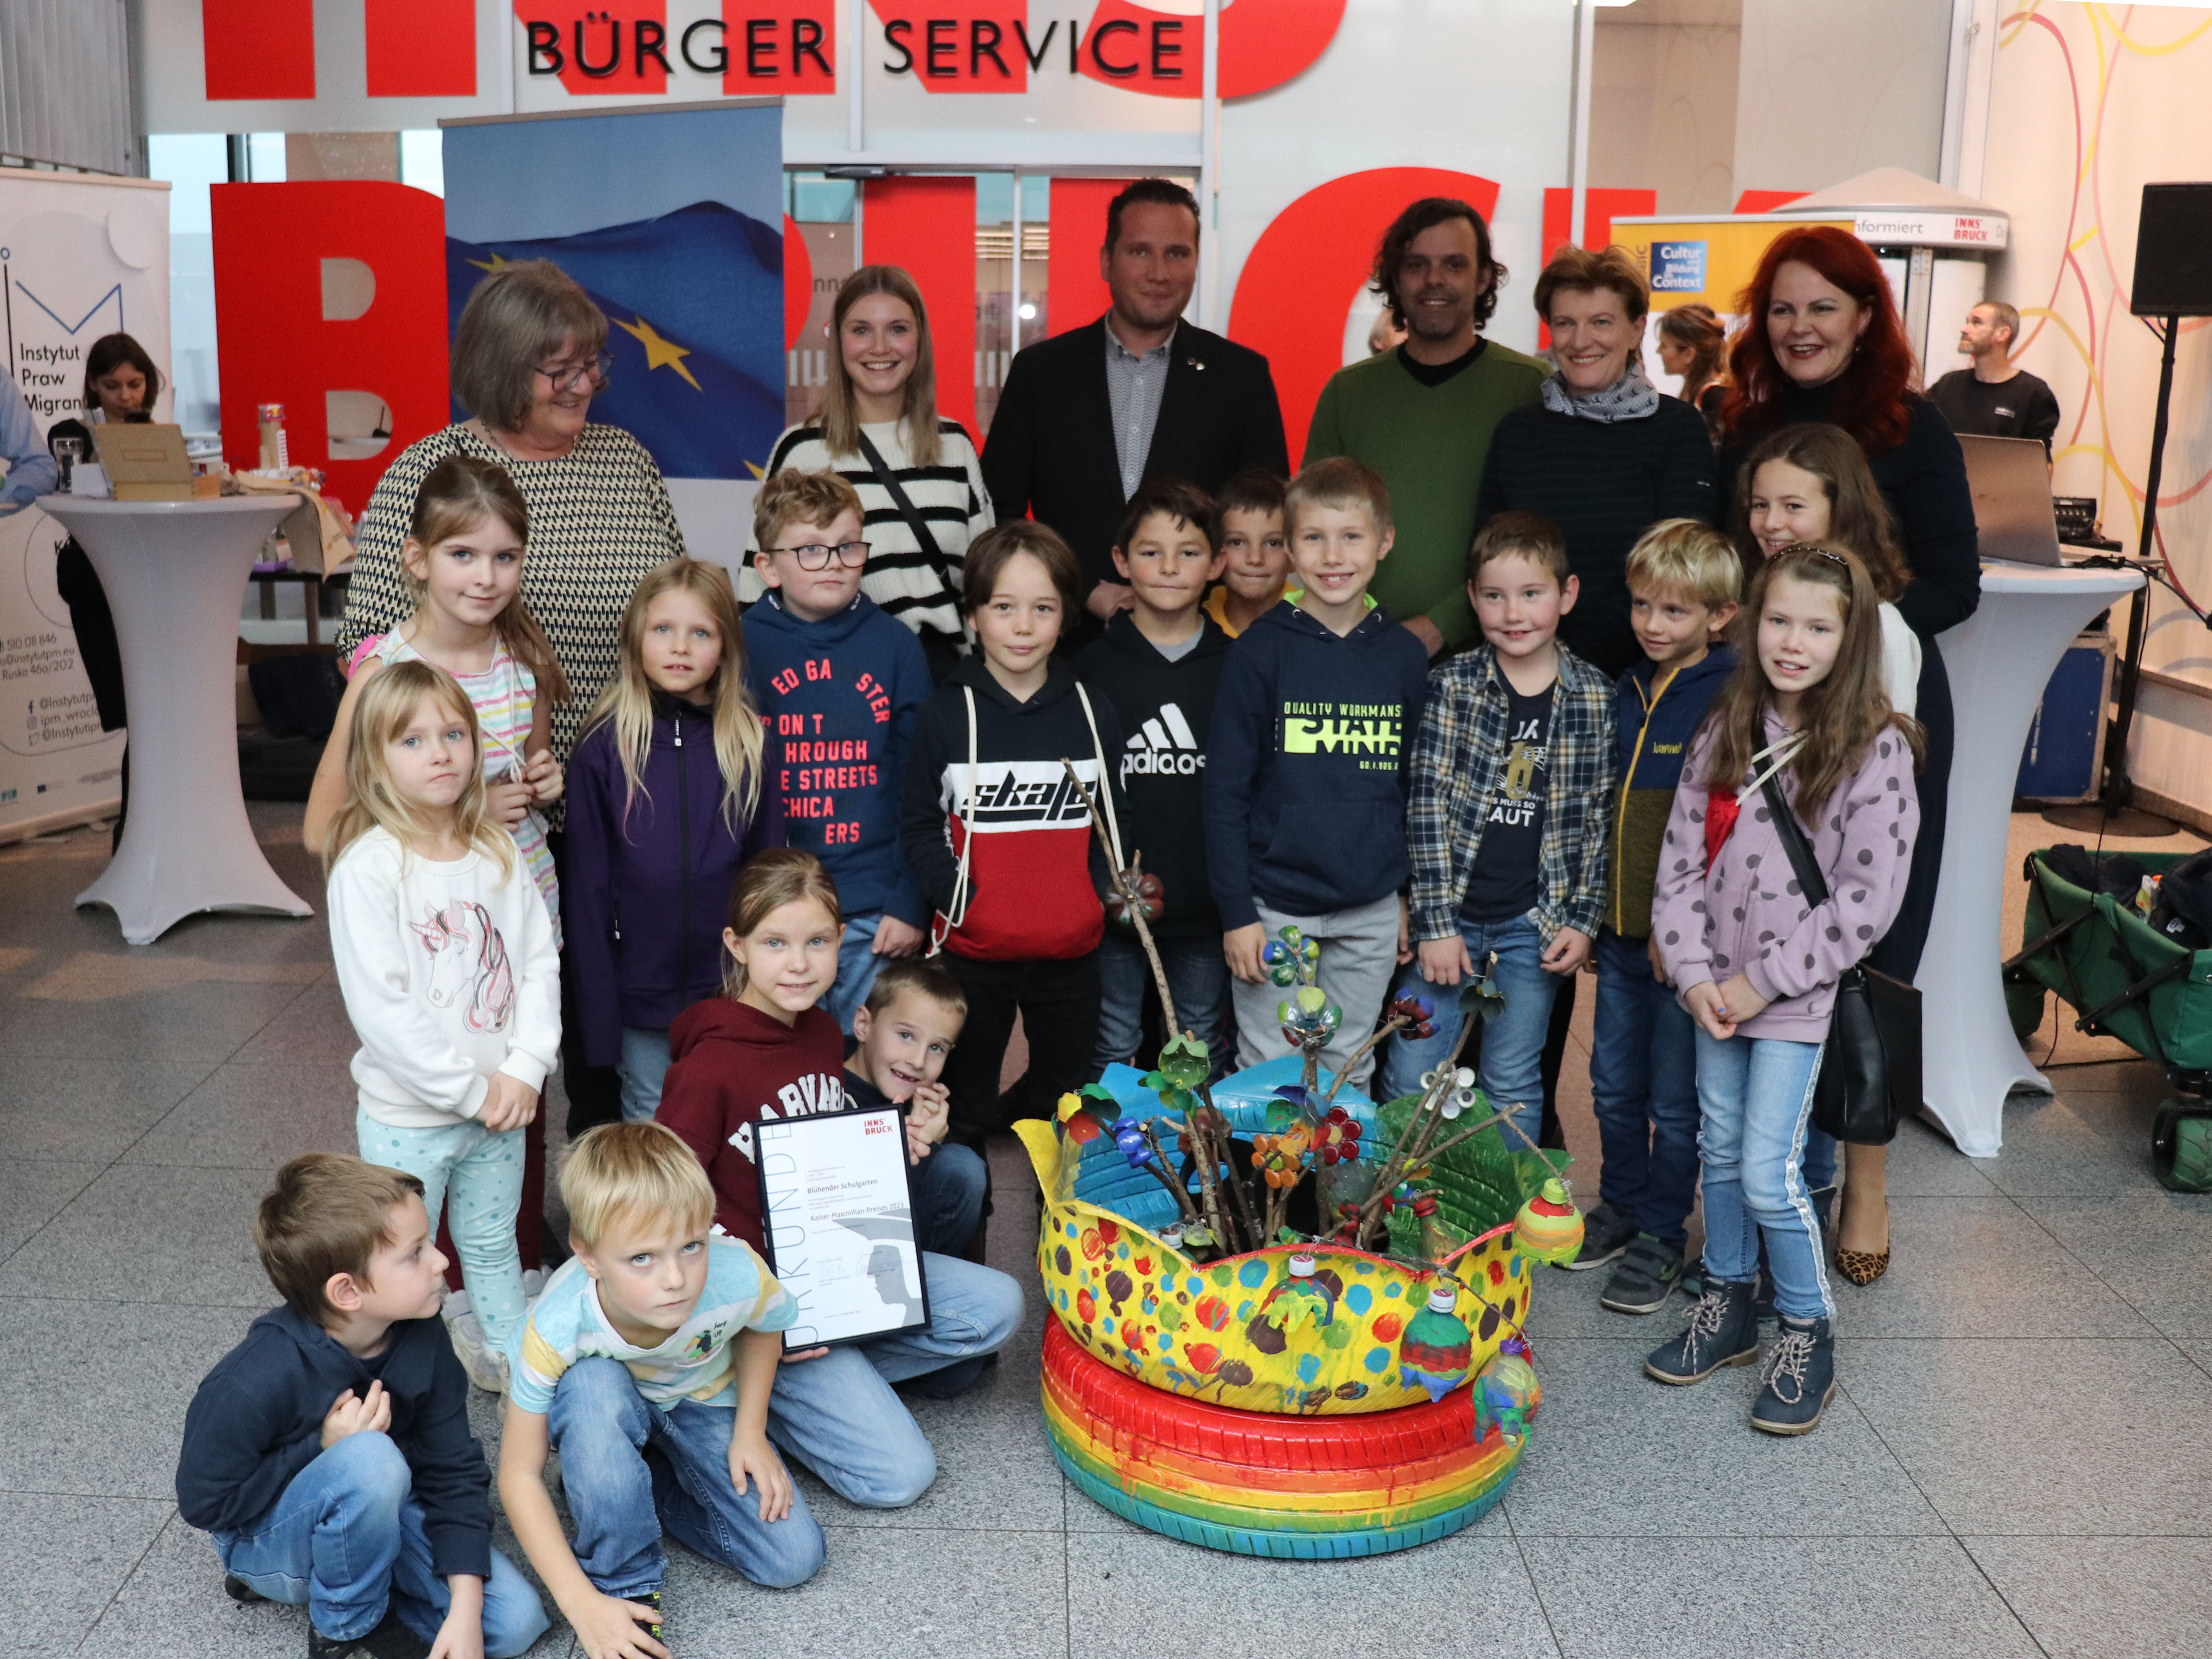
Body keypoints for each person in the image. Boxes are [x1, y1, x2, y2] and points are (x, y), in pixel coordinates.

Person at [338, 259, 688, 1140]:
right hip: (478, 816)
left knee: (609, 1014)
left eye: (591, 365)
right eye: (556, 370)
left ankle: (608, 1183)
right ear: (501, 367)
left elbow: (671, 605)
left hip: (622, 788)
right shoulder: (429, 469)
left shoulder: (626, 460)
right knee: (492, 1008)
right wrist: (454, 786)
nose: (582, 385)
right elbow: (368, 650)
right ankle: (499, 1186)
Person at [1716, 226, 1978, 1279]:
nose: (1799, 326)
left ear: (1864, 316)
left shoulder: (1912, 427)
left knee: (1869, 952)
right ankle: (1762, 1172)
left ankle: (1863, 1180)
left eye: (1822, 305)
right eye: (1781, 307)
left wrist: (1841, 635)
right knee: (1763, 931)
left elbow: (1954, 580)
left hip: (1877, 700)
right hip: (1763, 699)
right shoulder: (1739, 423)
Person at [1644, 545, 1920, 1436]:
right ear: (1750, 623)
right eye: (1777, 621)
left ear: (1851, 638)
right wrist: (1696, 977)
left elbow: (1863, 904)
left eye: (1816, 627)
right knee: (1719, 1153)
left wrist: (1758, 984)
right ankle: (1727, 1300)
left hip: (1792, 1001)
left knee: (1769, 1173)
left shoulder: (1875, 750)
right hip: (1714, 997)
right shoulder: (1725, 726)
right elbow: (1677, 866)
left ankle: (1805, 1327)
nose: (1792, 643)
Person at [655, 850, 1024, 1457]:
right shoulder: (706, 1066)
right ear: (737, 945)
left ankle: (822, 1382)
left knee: (1000, 1306)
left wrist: (900, 1148)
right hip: (758, 1307)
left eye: (817, 942)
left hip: (833, 1274)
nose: (799, 963)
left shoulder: (823, 1034)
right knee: (901, 1471)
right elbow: (667, 1211)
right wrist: (758, 1314)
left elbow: (828, 1168)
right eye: (775, 942)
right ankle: (748, 1390)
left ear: (840, 940)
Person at [177, 1155, 549, 1659]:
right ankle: (345, 1627)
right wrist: (320, 1445)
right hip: (263, 1541)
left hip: (380, 1512)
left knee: (515, 1624)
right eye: (415, 1253)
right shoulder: (253, 1377)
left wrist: (465, 1609)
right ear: (347, 1291)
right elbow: (205, 1505)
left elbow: (452, 1471)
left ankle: (364, 1588)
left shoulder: (424, 1334)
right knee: (371, 1458)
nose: (441, 1261)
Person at [322, 660, 562, 1394]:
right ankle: (396, 1389)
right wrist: (472, 1091)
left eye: (454, 733)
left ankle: (519, 1374)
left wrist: (524, 1067)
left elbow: (536, 961)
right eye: (413, 739)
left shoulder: (496, 850)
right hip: (412, 1118)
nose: (440, 753)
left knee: (491, 1245)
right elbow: (383, 1009)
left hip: (502, 1108)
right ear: (375, 760)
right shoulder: (369, 868)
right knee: (399, 1261)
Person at [1734, 422, 1932, 1281]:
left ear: (1839, 507)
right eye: (1759, 504)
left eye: (1793, 504)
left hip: (1840, 877)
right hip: (1760, 883)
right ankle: (1780, 1202)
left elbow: (1880, 774)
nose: (1771, 522)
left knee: (1852, 1033)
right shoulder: (1764, 605)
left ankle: (1862, 1190)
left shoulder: (1878, 627)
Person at [499, 1123, 816, 1659]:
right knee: (593, 1385)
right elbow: (517, 1475)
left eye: (691, 1246)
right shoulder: (555, 1324)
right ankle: (624, 1585)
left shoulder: (736, 1270)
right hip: (602, 1405)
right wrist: (581, 1604)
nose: (675, 1279)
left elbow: (764, 1327)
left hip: (699, 1398)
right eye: (642, 1258)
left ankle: (620, 1486)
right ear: (588, 1255)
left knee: (791, 1558)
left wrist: (751, 1431)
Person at [1380, 512, 1615, 1142]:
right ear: (1471, 597)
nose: (1513, 613)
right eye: (1494, 596)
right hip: (1447, 920)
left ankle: (1508, 1203)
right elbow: (1424, 806)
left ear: (1566, 594)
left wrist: (1581, 919)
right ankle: (1398, 1196)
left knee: (1511, 1079)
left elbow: (1598, 818)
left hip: (1531, 927)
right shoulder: (1449, 687)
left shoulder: (1594, 697)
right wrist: (1434, 923)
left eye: (1531, 593)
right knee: (1410, 1071)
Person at [899, 523, 1127, 1144]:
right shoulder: (947, 713)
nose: (1023, 626)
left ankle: (1055, 1211)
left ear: (1066, 616)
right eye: (1003, 607)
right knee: (964, 1111)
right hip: (974, 955)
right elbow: (918, 824)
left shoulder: (1092, 711)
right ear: (973, 615)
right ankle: (968, 1213)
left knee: (1065, 1111)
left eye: (1042, 609)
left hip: (1072, 956)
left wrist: (1095, 896)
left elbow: (1114, 821)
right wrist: (962, 902)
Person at [1207, 457, 1429, 1091]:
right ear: (1289, 547)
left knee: (1346, 1067)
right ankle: (1267, 1167)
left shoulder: (1403, 656)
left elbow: (1412, 789)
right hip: (1274, 907)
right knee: (1268, 1070)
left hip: (1370, 908)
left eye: (1351, 536)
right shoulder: (1259, 651)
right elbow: (1223, 792)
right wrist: (1236, 913)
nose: (1333, 556)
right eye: (1313, 537)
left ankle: (1338, 1168)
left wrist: (1403, 897)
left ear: (1383, 541)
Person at [982, 179, 1288, 630]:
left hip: (1204, 643)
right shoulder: (1040, 372)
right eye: (1140, 251)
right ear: (1106, 261)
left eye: (1177, 253)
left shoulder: (1241, 377)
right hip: (1062, 641)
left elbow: (1264, 520)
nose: (1159, 273)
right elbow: (997, 513)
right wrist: (1085, 590)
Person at [1572, 520, 1739, 1316]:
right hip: (1617, 936)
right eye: (1642, 605)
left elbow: (1724, 834)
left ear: (1720, 615)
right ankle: (1620, 1203)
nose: (1651, 623)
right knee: (1611, 1085)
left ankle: (1662, 1232)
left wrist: (1689, 938)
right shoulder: (1625, 688)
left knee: (1674, 1103)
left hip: (1683, 952)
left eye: (1674, 610)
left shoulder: (1730, 698)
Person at [306, 457, 566, 935]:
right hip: (436, 929)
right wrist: (467, 817)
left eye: (505, 557)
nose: (486, 577)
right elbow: (322, 829)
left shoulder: (527, 661)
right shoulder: (381, 675)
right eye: (462, 554)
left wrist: (543, 782)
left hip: (526, 914)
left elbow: (528, 774)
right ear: (418, 558)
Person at [564, 561, 782, 1124]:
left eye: (700, 632)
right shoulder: (602, 749)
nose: (680, 647)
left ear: (725, 650)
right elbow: (585, 898)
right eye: (663, 629)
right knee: (651, 1118)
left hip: (729, 986)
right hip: (638, 989)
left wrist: (766, 988)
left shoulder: (749, 744)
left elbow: (769, 882)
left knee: (731, 1116)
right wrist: (599, 1020)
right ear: (635, 637)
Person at [1303, 197, 1546, 659]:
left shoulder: (1528, 387)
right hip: (1357, 649)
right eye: (1416, 265)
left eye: (1454, 264)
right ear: (1396, 279)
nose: (1434, 279)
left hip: (1496, 656)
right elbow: (1313, 525)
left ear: (1483, 278)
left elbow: (1541, 534)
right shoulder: (1347, 392)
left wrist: (1443, 624)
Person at [743, 469, 931, 1032]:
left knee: (861, 1059)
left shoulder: (897, 646)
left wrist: (909, 901)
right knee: (777, 1059)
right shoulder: (739, 645)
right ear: (768, 567)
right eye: (810, 550)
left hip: (872, 910)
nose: (832, 563)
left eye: (847, 547)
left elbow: (921, 788)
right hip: (772, 906)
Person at [1475, 246, 1716, 681]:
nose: (1581, 340)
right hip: (1523, 671)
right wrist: (1533, 662)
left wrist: (1570, 668)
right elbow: (1488, 559)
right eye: (1565, 323)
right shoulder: (1517, 433)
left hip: (1637, 680)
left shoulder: (1677, 429)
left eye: (1601, 322)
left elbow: (1678, 570)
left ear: (1636, 330)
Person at [740, 266, 992, 678]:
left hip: (943, 679)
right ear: (839, 342)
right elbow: (757, 591)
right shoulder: (802, 450)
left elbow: (987, 582)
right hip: (839, 678)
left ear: (920, 340)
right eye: (861, 330)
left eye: (897, 329)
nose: (879, 347)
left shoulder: (955, 446)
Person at [1075, 477, 1233, 1074]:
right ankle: (1107, 1143)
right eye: (1150, 551)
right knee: (1111, 1047)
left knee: (1197, 1049)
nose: (1169, 567)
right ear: (1120, 561)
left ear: (1216, 564)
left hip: (1204, 905)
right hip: (1108, 905)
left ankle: (1196, 1143)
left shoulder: (1237, 667)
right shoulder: (1088, 670)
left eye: (1188, 552)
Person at [43, 334, 154, 849]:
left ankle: (135, 833)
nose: (125, 396)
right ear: (92, 384)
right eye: (113, 385)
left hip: (149, 581)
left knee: (150, 717)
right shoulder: (71, 436)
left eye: (135, 384)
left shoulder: (154, 436)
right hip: (95, 587)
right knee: (135, 713)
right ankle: (131, 837)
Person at [842, 955, 989, 1271]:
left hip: (895, 1248)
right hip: (843, 1246)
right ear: (864, 1025)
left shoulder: (914, 1097)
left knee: (964, 1167)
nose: (918, 1061)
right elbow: (857, 1210)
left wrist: (925, 1142)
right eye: (906, 1035)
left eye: (937, 1048)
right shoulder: (827, 1089)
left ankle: (925, 1281)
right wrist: (911, 1148)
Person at [1929, 300, 2060, 457]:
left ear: (2003, 334)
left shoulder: (2033, 393)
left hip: (2004, 474)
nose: (1964, 329)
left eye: (1976, 323)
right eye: (1967, 322)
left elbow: (2040, 462)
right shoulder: (1948, 384)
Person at [1203, 470, 1291, 639]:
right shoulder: (1198, 626)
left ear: (1295, 555)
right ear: (1215, 555)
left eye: (1273, 543)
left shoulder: (1314, 624)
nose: (1255, 559)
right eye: (1237, 542)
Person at [1656, 303, 1731, 434]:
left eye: (1664, 345)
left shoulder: (1714, 397)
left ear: (1689, 355)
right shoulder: (1698, 392)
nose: (1658, 351)